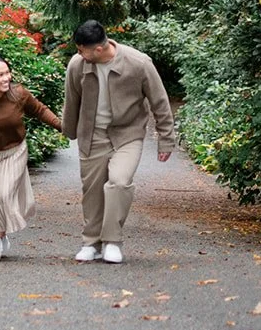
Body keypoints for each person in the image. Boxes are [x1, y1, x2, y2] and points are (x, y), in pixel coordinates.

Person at [61, 19, 177, 264]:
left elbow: (159, 101)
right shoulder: (77, 65)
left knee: (119, 182)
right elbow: (72, 101)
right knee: (92, 192)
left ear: (99, 49)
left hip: (128, 134)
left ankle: (112, 240)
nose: (78, 53)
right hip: (93, 136)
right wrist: (70, 132)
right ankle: (91, 243)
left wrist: (166, 140)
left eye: (82, 49)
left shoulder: (138, 63)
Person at [0, 53, 63, 260]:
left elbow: (40, 110)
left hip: (14, 152)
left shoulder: (18, 94)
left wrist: (62, 126)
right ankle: (2, 234)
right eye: (0, 75)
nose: (6, 78)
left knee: (1, 194)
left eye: (8, 73)